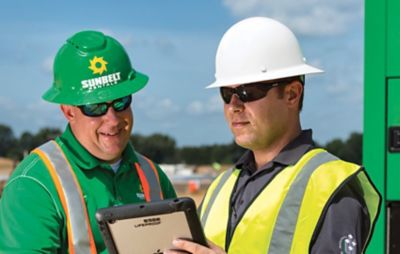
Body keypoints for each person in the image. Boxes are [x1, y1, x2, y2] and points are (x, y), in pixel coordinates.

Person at [165, 17, 380, 254]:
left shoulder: (330, 187)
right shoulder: (220, 188)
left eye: (248, 92)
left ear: (291, 94)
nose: (234, 105)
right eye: (227, 93)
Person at [0, 30, 176, 253]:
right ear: (68, 111)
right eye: (95, 107)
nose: (112, 119)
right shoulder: (34, 183)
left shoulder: (153, 177)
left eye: (121, 102)